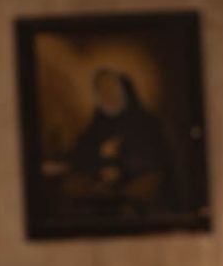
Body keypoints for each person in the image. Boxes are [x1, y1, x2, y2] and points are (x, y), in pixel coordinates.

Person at [58, 68, 177, 215]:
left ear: (125, 91)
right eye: (101, 90)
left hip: (135, 186)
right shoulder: (94, 127)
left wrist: (121, 162)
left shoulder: (147, 123)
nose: (107, 94)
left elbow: (154, 163)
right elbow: (81, 160)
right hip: (100, 188)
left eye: (112, 88)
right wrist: (100, 159)